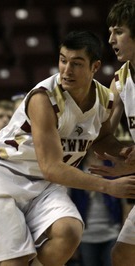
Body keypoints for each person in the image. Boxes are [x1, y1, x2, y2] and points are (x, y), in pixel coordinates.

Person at [0, 30, 135, 266]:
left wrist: (123, 152)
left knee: (70, 231)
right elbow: (52, 168)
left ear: (95, 67)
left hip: (44, 187)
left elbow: (103, 138)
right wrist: (108, 186)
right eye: (63, 60)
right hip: (2, 178)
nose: (66, 70)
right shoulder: (44, 98)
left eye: (76, 64)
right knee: (14, 262)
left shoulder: (104, 100)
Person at [89, 1, 135, 264]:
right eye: (110, 32)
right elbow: (102, 137)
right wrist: (124, 157)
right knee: (122, 254)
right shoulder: (120, 80)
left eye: (118, 31)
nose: (111, 39)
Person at [70, 149, 124, 266]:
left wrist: (123, 230)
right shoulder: (76, 166)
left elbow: (124, 201)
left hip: (112, 230)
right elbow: (70, 201)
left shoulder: (112, 165)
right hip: (86, 234)